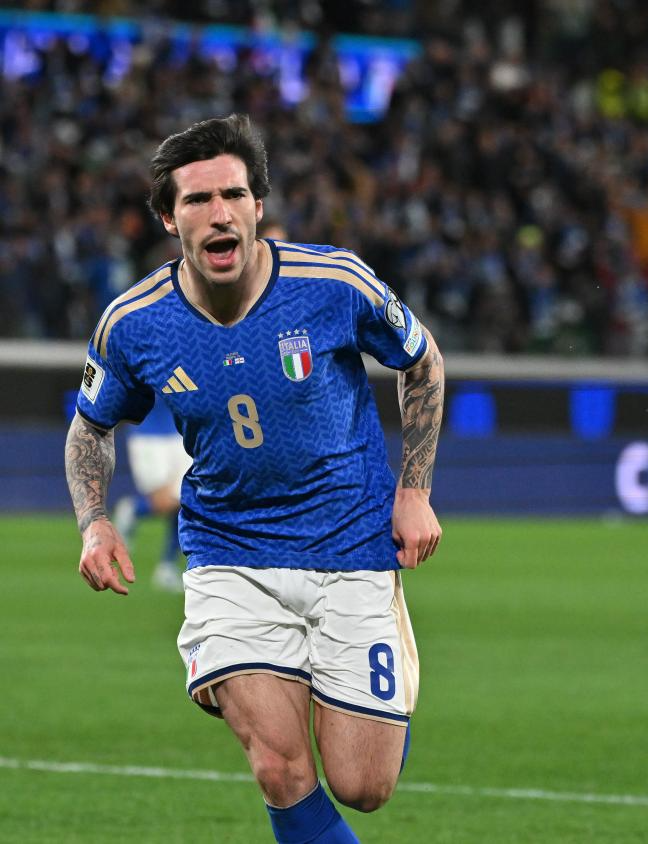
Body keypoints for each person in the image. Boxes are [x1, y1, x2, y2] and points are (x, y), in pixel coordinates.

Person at [65, 113, 445, 844]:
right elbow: (90, 426)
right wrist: (94, 521)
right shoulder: (134, 323)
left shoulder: (333, 283)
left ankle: (378, 702)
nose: (219, 213)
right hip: (229, 556)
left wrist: (415, 490)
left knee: (363, 786)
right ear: (169, 218)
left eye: (233, 195)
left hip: (350, 545)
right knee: (278, 767)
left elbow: (422, 360)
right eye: (197, 200)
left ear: (258, 206)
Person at [112, 394, 191, 591]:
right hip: (147, 436)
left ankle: (167, 566)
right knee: (169, 500)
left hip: (179, 434)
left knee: (186, 500)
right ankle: (134, 510)